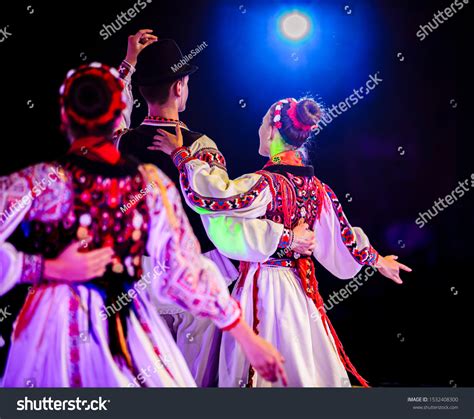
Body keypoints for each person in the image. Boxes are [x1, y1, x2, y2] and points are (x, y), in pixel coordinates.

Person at [0, 62, 288, 387]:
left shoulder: (44, 181)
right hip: (122, 321)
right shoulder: (146, 183)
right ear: (119, 113)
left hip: (59, 320)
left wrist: (37, 268)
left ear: (65, 117)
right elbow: (185, 270)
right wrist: (247, 337)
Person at [153, 97, 413, 387]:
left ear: (274, 131)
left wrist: (181, 157)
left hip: (264, 288)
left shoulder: (265, 183)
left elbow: (216, 198)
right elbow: (345, 237)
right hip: (300, 292)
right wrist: (378, 260)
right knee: (303, 365)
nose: (259, 128)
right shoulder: (318, 189)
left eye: (263, 123)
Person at [114, 34, 315, 386]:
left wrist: (129, 65)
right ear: (179, 88)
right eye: (186, 82)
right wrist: (287, 237)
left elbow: (111, 117)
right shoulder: (200, 148)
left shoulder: (121, 145)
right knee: (194, 383)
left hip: (139, 278)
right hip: (195, 277)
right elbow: (227, 216)